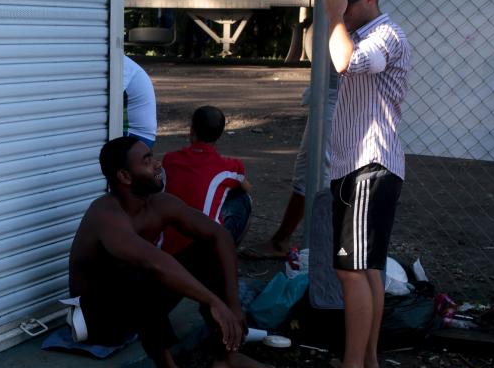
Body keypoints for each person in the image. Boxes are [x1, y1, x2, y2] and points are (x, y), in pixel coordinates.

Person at [68, 137, 278, 368]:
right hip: (101, 319)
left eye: (152, 158)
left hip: (137, 303)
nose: (157, 166)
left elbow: (219, 236)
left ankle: (226, 356)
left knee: (207, 248)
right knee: (138, 274)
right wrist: (213, 301)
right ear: (124, 176)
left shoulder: (159, 203)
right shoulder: (105, 214)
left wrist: (232, 303)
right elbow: (153, 262)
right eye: (146, 161)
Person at [305, 0, 411, 368]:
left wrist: (332, 18)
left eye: (346, 2)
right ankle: (366, 362)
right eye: (336, 3)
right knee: (366, 270)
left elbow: (344, 62)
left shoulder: (385, 35)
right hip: (358, 167)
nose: (340, 11)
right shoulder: (362, 34)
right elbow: (330, 55)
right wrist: (332, 19)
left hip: (370, 166)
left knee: (351, 271)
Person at [239, 28, 339, 261]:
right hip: (328, 98)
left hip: (333, 103)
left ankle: (294, 241)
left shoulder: (348, 14)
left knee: (314, 173)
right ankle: (294, 240)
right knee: (314, 172)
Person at [160, 105, 252, 255]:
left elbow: (160, 178)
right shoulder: (230, 167)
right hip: (205, 250)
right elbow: (247, 188)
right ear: (220, 135)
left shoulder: (169, 159)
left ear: (191, 130)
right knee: (243, 198)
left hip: (168, 250)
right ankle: (226, 252)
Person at [123, 56, 157, 147]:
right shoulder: (125, 62)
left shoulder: (121, 64)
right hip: (138, 134)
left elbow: (111, 96)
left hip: (136, 135)